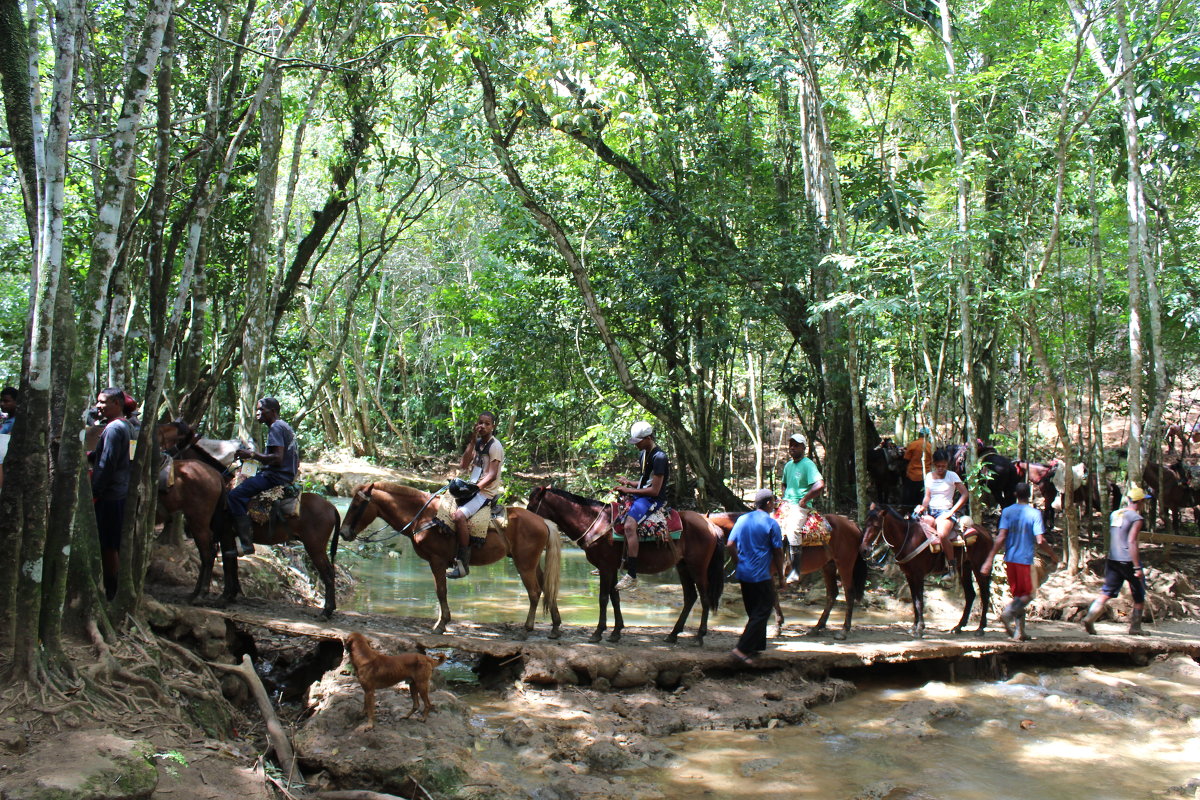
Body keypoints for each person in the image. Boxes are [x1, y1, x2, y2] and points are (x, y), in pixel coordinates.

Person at [980, 482, 1055, 641]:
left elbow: (1001, 537)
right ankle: (1008, 613)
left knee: (1018, 595)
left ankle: (1019, 632)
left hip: (1010, 559)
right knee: (1029, 594)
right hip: (1025, 559)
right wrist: (1053, 555)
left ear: (1015, 494)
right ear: (1029, 495)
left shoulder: (1007, 512)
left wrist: (989, 559)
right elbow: (1040, 540)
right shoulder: (1034, 513)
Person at [229, 397, 299, 557]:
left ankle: (246, 543)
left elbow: (277, 458)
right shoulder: (285, 427)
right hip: (284, 475)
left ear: (272, 412)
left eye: (261, 410)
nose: (257, 413)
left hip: (274, 477)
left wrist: (252, 454)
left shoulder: (275, 427)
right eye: (257, 410)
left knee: (235, 495)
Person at [1081, 486, 1150, 636]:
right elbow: (1131, 542)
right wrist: (1137, 567)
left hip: (1113, 559)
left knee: (1106, 593)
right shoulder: (1137, 518)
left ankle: (1090, 618)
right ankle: (1135, 627)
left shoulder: (1116, 514)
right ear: (1141, 502)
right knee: (1139, 596)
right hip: (1128, 560)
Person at [727, 488, 784, 666]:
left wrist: (739, 562)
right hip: (761, 574)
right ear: (768, 503)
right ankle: (741, 649)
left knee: (753, 611)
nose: (774, 505)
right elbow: (778, 551)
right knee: (763, 610)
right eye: (773, 502)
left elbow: (730, 544)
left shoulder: (742, 519)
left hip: (744, 573)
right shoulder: (771, 523)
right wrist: (781, 576)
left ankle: (756, 646)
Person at [446, 411, 505, 579]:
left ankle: (463, 564)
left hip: (484, 493)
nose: (483, 426)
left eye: (487, 424)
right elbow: (464, 464)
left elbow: (492, 474)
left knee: (458, 516)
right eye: (480, 423)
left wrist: (475, 489)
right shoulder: (478, 443)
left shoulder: (495, 446)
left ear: (493, 427)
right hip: (473, 486)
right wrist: (472, 440)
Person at [614, 421, 670, 591]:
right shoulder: (643, 454)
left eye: (638, 441)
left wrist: (628, 489)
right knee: (613, 516)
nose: (636, 444)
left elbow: (654, 490)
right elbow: (645, 482)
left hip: (653, 500)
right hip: (643, 494)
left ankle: (632, 574)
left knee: (630, 526)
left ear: (648, 438)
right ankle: (615, 561)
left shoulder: (659, 457)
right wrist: (628, 483)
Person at [90, 388, 132, 601]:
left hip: (111, 494)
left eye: (103, 402)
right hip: (121, 491)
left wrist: (94, 491)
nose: (98, 406)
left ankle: (111, 591)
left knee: (108, 544)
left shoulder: (114, 429)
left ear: (117, 403)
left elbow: (107, 464)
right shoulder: (126, 426)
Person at [913, 448, 967, 581]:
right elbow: (927, 496)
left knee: (942, 535)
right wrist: (922, 507)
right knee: (919, 531)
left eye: (943, 466)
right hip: (931, 511)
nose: (941, 468)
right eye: (938, 466)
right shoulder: (929, 476)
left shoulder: (952, 476)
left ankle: (951, 568)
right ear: (933, 464)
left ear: (947, 464)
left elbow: (965, 494)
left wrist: (951, 512)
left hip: (946, 511)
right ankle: (927, 565)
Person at [778, 433, 824, 583]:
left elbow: (820, 484)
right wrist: (784, 498)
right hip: (786, 505)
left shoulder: (808, 464)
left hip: (800, 507)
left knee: (793, 530)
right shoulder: (788, 465)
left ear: (803, 447)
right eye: (791, 444)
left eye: (796, 445)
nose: (792, 447)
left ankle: (796, 570)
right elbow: (784, 483)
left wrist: (804, 499)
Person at [901, 427, 933, 506]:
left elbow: (906, 459)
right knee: (922, 497)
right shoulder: (930, 446)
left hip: (912, 475)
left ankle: (909, 512)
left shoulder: (913, 444)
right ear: (927, 435)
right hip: (925, 476)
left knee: (910, 498)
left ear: (919, 434)